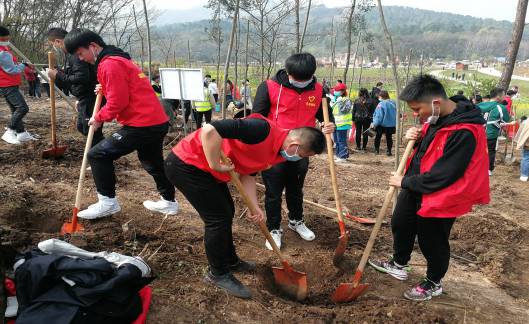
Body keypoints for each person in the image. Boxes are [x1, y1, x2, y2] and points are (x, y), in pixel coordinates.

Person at [164, 114, 325, 298]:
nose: (299, 159)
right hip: (187, 164)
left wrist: (254, 206)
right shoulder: (260, 130)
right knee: (217, 218)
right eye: (302, 156)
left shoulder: (275, 152)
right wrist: (214, 163)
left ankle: (231, 261)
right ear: (294, 146)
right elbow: (211, 129)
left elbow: (248, 174)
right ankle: (217, 273)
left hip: (206, 172)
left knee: (227, 211)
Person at [369, 74, 490, 301]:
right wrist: (414, 135)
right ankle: (399, 263)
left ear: (435, 103)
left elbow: (444, 175)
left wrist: (403, 181)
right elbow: (429, 146)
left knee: (431, 239)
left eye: (417, 109)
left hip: (442, 193)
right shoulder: (436, 117)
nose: (415, 114)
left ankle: (434, 281)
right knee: (400, 223)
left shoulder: (465, 131)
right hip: (417, 183)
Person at [64, 28, 178, 219]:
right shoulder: (119, 59)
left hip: (142, 124)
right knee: (152, 162)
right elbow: (128, 87)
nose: (81, 59)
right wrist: (106, 87)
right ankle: (169, 202)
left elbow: (119, 102)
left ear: (92, 46)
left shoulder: (109, 64)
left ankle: (108, 202)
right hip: (156, 121)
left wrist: (99, 117)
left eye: (80, 53)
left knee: (98, 154)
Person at [252, 52, 335, 249]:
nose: (300, 82)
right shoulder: (269, 87)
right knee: (273, 191)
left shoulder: (318, 91)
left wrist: (328, 125)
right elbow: (257, 117)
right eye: (296, 79)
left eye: (304, 79)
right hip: (275, 149)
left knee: (296, 188)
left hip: (302, 151)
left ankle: (296, 220)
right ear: (288, 72)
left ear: (312, 75)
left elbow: (326, 116)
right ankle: (273, 228)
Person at [47, 27, 103, 145]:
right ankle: (99, 152)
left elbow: (82, 77)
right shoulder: (72, 55)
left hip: (90, 97)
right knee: (82, 127)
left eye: (53, 44)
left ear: (58, 41)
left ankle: (100, 156)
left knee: (91, 131)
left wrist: (57, 75)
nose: (55, 48)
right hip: (84, 97)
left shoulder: (76, 55)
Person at [0, 26, 36, 144]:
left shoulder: (4, 49)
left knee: (15, 108)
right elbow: (12, 70)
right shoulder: (2, 52)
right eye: (5, 38)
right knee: (22, 108)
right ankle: (9, 131)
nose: (8, 40)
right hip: (8, 84)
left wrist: (21, 64)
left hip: (7, 84)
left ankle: (21, 133)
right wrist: (24, 65)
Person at [477, 87, 510, 176]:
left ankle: (477, 168)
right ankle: (488, 169)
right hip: (491, 133)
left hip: (478, 133)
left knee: (477, 150)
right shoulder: (501, 107)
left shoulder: (479, 105)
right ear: (498, 97)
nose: (505, 96)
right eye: (503, 95)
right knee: (491, 151)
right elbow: (506, 120)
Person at [331, 82, 352, 162]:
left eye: (337, 90)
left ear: (343, 91)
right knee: (336, 141)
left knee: (341, 140)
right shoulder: (336, 100)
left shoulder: (347, 100)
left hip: (343, 124)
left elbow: (344, 111)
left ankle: (343, 157)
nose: (335, 92)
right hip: (335, 124)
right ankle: (339, 155)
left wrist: (339, 102)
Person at [372, 90, 397, 156]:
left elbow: (379, 116)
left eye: (379, 97)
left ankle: (376, 150)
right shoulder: (393, 102)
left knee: (378, 137)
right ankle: (389, 151)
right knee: (389, 137)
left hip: (382, 124)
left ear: (381, 96)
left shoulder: (381, 104)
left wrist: (375, 124)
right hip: (391, 124)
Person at [514, 116, 529, 182]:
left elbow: (521, 132)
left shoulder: (526, 121)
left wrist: (518, 141)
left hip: (527, 143)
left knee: (526, 158)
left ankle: (524, 175)